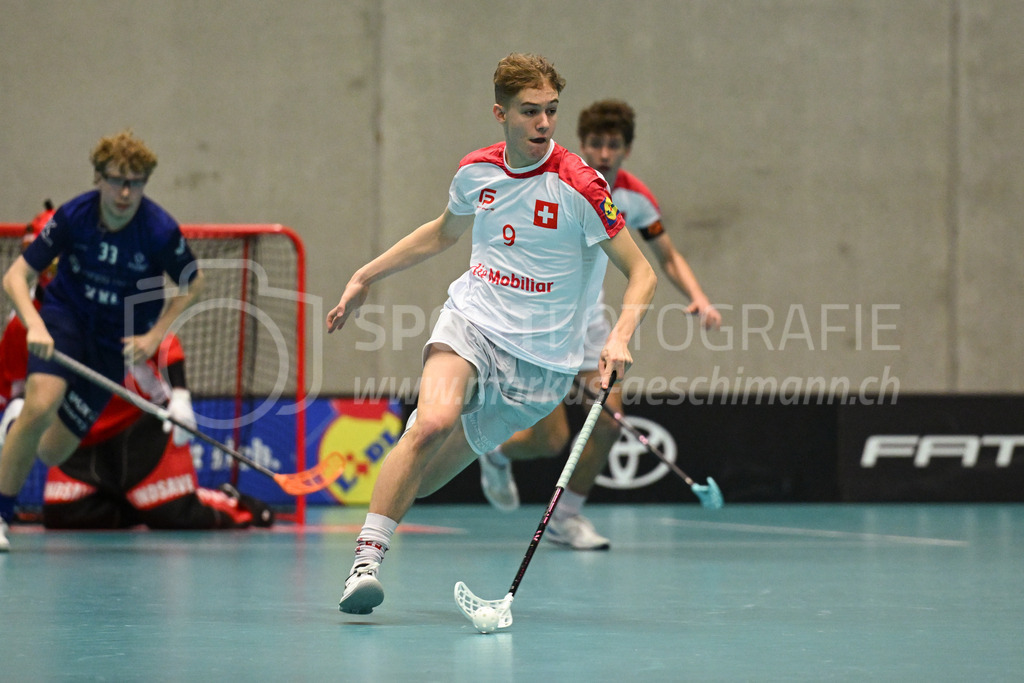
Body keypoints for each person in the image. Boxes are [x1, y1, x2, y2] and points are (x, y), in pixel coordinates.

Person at [326, 53, 658, 615]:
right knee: (430, 421)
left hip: (542, 365)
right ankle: (366, 562)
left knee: (425, 483)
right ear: (500, 113)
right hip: (473, 321)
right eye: (530, 112)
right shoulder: (476, 171)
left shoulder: (581, 186)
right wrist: (365, 274)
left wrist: (619, 335)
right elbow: (441, 234)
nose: (544, 124)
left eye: (552, 111)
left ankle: (466, 462)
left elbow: (643, 271)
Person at [477, 99, 722, 549]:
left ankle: (564, 519)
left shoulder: (633, 198)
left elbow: (663, 256)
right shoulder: (555, 182)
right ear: (582, 143)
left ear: (626, 149)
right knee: (549, 439)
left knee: (608, 423)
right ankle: (496, 452)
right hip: (541, 323)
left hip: (590, 322)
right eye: (596, 144)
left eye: (613, 146)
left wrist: (698, 297)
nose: (604, 154)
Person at [0, 130, 204, 551]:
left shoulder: (159, 230)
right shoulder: (74, 216)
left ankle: (19, 430)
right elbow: (16, 276)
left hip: (114, 343)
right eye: (116, 179)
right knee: (41, 403)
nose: (125, 192)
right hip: (66, 320)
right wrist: (35, 325)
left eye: (136, 182)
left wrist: (155, 334)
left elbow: (193, 283)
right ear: (98, 177)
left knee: (53, 452)